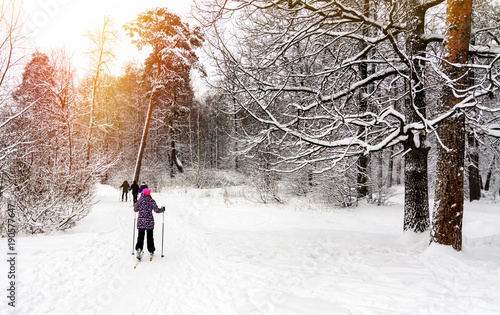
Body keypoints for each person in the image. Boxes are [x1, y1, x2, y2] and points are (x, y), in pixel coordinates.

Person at [134, 188, 165, 260]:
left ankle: (139, 249)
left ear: (143, 193)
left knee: (140, 237)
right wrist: (162, 209)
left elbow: (135, 209)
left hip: (141, 222)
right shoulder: (151, 201)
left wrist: (136, 205)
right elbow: (157, 210)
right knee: (150, 237)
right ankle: (151, 250)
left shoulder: (140, 201)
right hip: (149, 222)